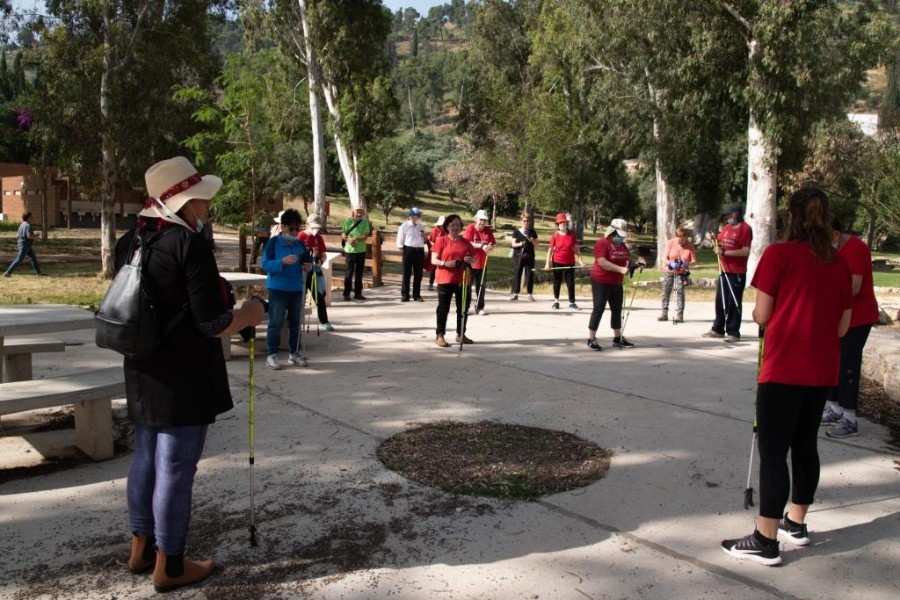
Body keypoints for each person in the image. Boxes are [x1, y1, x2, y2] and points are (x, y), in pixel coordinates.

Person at [121, 156, 266, 593]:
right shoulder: (189, 245)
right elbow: (212, 323)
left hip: (143, 365)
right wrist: (248, 313)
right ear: (184, 205)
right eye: (201, 200)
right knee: (176, 467)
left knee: (146, 457)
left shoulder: (132, 240)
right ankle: (172, 563)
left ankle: (141, 546)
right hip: (184, 373)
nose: (206, 208)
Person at [721, 186, 852, 567]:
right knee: (805, 445)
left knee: (774, 451)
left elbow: (761, 316)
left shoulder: (779, 255)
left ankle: (765, 538)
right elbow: (843, 326)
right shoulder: (839, 263)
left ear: (790, 216)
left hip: (784, 367)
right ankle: (796, 523)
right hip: (821, 368)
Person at [821, 218, 879, 438]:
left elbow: (853, 287)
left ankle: (850, 418)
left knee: (848, 363)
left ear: (836, 234)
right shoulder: (832, 251)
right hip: (839, 316)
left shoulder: (856, 249)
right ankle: (835, 408)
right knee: (835, 360)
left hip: (858, 317)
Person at [261, 208, 312, 370]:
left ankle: (294, 353)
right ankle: (272, 355)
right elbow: (265, 265)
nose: (295, 232)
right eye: (291, 229)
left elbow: (308, 264)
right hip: (278, 288)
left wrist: (309, 266)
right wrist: (281, 262)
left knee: (296, 322)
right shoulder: (273, 243)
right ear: (282, 227)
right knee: (275, 322)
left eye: (298, 229)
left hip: (297, 288)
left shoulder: (300, 244)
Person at [587, 219, 642, 350]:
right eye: (619, 235)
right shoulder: (602, 243)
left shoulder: (622, 245)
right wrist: (620, 269)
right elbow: (602, 262)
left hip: (616, 282)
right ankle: (591, 338)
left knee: (617, 310)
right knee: (598, 309)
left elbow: (627, 259)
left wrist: (635, 264)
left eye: (622, 236)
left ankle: (618, 338)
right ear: (612, 232)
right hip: (601, 281)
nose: (620, 238)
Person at [704, 204, 752, 342]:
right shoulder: (726, 228)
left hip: (736, 272)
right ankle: (718, 329)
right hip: (723, 270)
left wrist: (725, 252)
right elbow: (719, 243)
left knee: (733, 302)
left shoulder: (745, 229)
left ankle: (733, 331)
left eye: (729, 214)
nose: (726, 217)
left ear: (736, 214)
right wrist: (712, 240)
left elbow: (745, 250)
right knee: (720, 300)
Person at [431, 214, 476, 347]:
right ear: (447, 226)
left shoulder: (466, 242)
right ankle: (440, 335)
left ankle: (461, 333)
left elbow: (473, 259)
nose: (456, 227)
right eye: (453, 225)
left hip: (463, 279)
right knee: (443, 308)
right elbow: (434, 260)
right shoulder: (441, 240)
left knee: (463, 308)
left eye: (458, 225)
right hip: (445, 279)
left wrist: (470, 260)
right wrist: (446, 263)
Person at [298, 214, 334, 332]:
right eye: (313, 227)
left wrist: (319, 262)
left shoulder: (319, 238)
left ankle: (324, 321)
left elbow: (323, 255)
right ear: (306, 225)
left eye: (317, 227)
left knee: (319, 297)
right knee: (300, 298)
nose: (315, 229)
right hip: (302, 272)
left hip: (315, 270)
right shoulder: (301, 236)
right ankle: (297, 321)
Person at [546, 212, 584, 310]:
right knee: (557, 281)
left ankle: (572, 302)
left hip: (570, 262)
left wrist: (580, 260)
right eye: (561, 222)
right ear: (558, 224)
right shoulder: (555, 235)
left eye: (564, 222)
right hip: (557, 261)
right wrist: (547, 263)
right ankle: (556, 301)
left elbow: (576, 248)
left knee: (570, 282)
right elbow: (550, 250)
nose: (563, 224)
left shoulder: (571, 234)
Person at [659, 227, 697, 323]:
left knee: (680, 291)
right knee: (666, 290)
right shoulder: (671, 243)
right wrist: (669, 263)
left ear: (686, 237)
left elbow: (694, 261)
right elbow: (664, 257)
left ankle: (679, 314)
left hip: (682, 272)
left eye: (683, 239)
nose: (680, 242)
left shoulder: (689, 246)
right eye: (679, 239)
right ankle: (664, 313)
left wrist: (687, 264)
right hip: (669, 270)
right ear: (676, 237)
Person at [462, 209, 496, 315]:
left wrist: (490, 247)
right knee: (467, 287)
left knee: (481, 287)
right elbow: (467, 242)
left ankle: (479, 307)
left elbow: (493, 243)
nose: (482, 222)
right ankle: (464, 307)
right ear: (476, 219)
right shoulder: (470, 228)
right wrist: (481, 246)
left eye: (484, 220)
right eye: (481, 219)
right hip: (470, 262)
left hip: (482, 263)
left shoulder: (487, 230)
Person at [397, 207, 427, 302]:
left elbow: (425, 241)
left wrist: (425, 237)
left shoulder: (421, 227)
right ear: (411, 216)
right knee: (406, 273)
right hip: (408, 250)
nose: (419, 217)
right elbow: (399, 241)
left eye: (419, 215)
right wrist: (403, 251)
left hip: (419, 250)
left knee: (418, 274)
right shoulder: (404, 226)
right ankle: (405, 295)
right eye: (417, 215)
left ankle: (416, 295)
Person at [341, 207, 371, 301]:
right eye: (357, 212)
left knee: (359, 273)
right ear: (353, 212)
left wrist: (356, 239)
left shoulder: (365, 222)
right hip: (350, 251)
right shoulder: (348, 221)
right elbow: (343, 233)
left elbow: (365, 236)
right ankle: (346, 294)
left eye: (361, 212)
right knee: (348, 273)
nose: (359, 214)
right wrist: (348, 239)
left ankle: (358, 293)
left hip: (361, 251)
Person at [4, 211, 43, 277]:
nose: (33, 218)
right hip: (25, 245)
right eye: (31, 217)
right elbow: (29, 236)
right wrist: (36, 235)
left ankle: (38, 273)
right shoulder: (28, 225)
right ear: (28, 218)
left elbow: (17, 235)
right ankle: (8, 272)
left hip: (24, 244)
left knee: (33, 257)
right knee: (19, 259)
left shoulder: (22, 225)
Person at [510, 213, 538, 301]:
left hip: (529, 256)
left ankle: (530, 294)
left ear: (530, 222)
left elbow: (537, 244)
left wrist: (532, 240)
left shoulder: (532, 232)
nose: (526, 222)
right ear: (521, 221)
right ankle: (515, 293)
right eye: (524, 221)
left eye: (527, 221)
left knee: (530, 275)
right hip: (518, 256)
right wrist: (520, 244)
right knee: (517, 274)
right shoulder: (516, 232)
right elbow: (513, 244)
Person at [427, 216, 446, 291]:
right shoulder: (435, 230)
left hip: (443, 251)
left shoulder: (446, 231)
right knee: (433, 268)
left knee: (441, 268)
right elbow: (430, 241)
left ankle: (439, 284)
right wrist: (435, 246)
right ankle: (431, 284)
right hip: (435, 251)